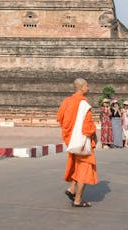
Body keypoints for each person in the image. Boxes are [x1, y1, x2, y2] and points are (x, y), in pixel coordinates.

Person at [57, 78, 98, 207]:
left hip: (72, 141)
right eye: (87, 85)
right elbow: (88, 128)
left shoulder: (66, 102)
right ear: (81, 88)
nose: (88, 88)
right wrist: (94, 135)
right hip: (82, 142)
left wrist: (70, 134)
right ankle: (78, 199)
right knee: (84, 169)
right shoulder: (84, 105)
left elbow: (60, 118)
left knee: (77, 166)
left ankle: (72, 188)